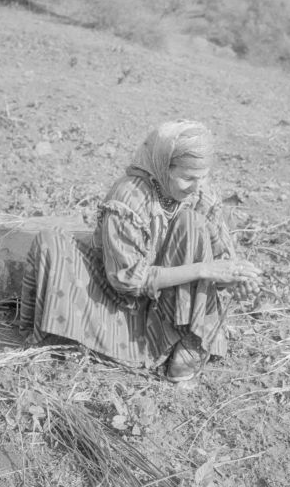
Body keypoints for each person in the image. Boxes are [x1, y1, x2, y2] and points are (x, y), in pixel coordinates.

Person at [19, 120, 262, 382]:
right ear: (163, 166)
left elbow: (221, 259)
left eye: (202, 177)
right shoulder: (128, 198)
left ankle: (189, 338)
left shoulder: (200, 194)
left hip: (171, 301)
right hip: (123, 300)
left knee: (192, 222)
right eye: (187, 178)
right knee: (51, 243)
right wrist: (202, 269)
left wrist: (236, 278)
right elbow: (126, 280)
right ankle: (133, 341)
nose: (196, 186)